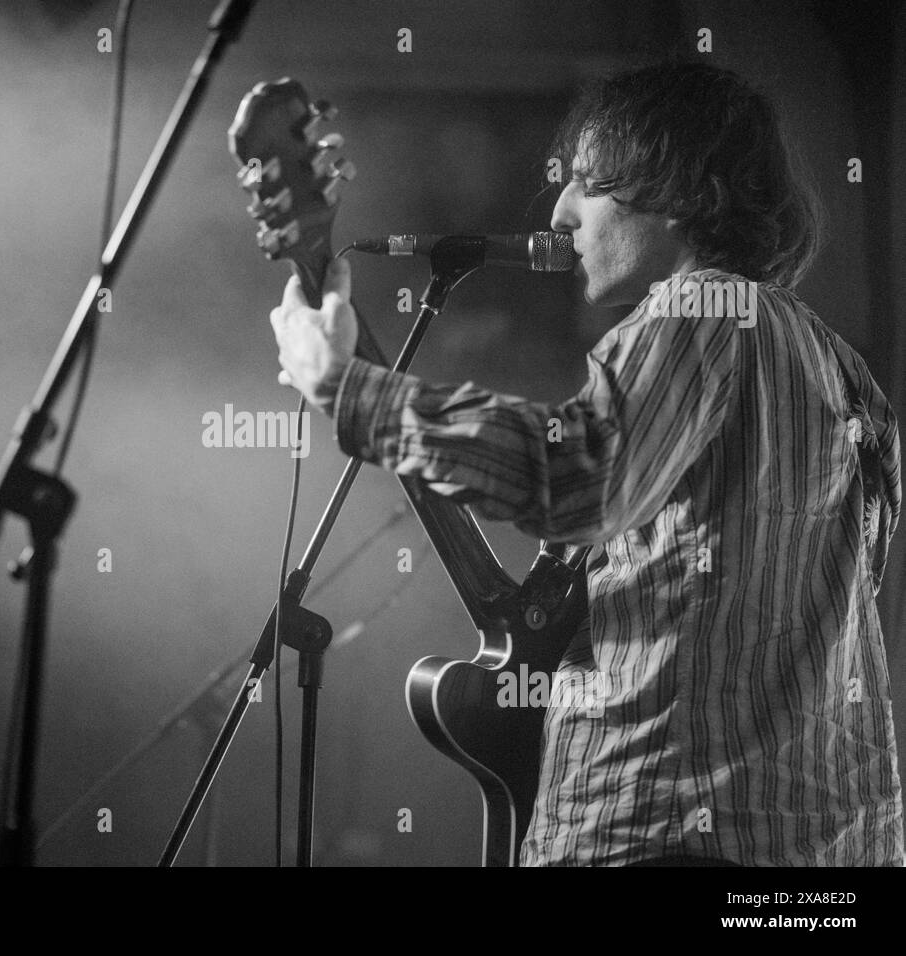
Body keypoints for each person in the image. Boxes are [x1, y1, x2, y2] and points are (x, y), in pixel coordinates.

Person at [268, 61, 902, 866]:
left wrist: (347, 390)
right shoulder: (843, 371)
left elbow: (577, 479)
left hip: (659, 837)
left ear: (687, 194)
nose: (561, 210)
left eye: (589, 183)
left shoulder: (692, 312)